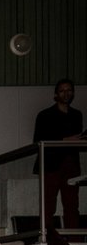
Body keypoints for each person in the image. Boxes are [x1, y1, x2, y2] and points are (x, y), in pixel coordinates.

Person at [33, 78, 83, 229]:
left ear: (73, 93)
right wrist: (64, 139)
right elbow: (38, 139)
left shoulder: (76, 115)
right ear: (56, 94)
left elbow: (77, 137)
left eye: (69, 90)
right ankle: (47, 236)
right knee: (48, 203)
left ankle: (73, 237)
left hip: (71, 163)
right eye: (62, 91)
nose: (66, 94)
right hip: (51, 164)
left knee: (72, 203)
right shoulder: (45, 115)